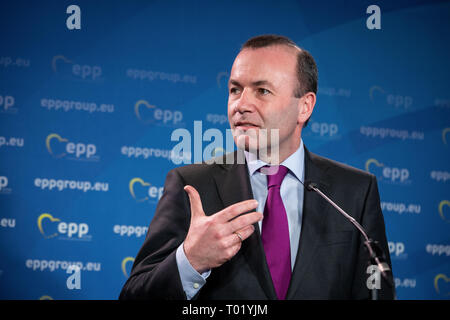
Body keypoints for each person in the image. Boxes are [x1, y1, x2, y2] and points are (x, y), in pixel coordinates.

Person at [119, 34, 395, 300]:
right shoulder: (192, 184)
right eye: (235, 90)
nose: (241, 105)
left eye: (262, 91)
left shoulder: (355, 191)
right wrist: (191, 261)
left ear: (305, 107)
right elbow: (134, 295)